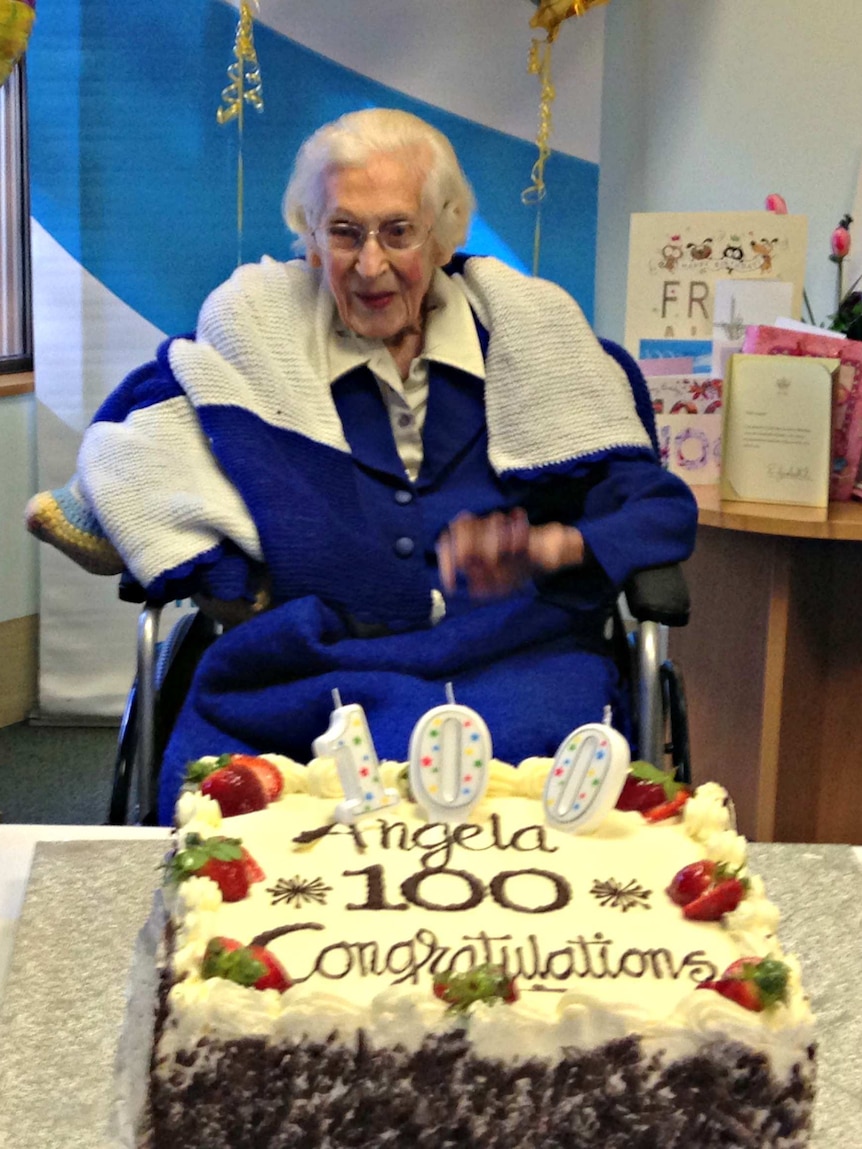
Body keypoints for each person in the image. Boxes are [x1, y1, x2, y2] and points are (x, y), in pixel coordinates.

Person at [30, 108, 698, 822]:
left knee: (546, 805)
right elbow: (142, 443)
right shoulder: (258, 344)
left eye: (398, 231)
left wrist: (555, 545)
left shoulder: (533, 345)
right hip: (309, 664)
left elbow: (660, 509)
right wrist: (220, 569)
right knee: (228, 806)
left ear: (442, 234)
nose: (370, 264)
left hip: (517, 658)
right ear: (312, 242)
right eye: (344, 232)